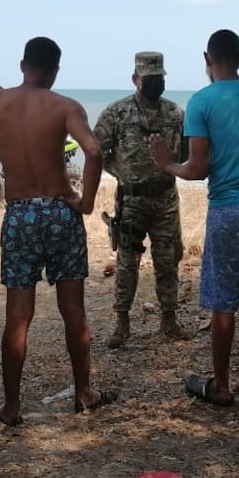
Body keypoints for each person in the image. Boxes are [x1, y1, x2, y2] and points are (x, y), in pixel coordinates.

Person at [0, 0, 116, 423]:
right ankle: (84, 392)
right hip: (61, 214)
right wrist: (84, 202)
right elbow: (95, 152)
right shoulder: (66, 106)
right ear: (56, 70)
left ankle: (11, 406)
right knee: (73, 311)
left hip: (21, 215)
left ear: (23, 66)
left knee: (19, 316)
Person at [149, 29, 239, 407]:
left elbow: (197, 169)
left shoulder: (201, 102)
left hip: (227, 210)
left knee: (223, 303)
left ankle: (222, 387)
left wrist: (166, 163)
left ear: (207, 59)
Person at [94, 52, 192, 348]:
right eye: (149, 78)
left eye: (159, 78)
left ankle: (169, 321)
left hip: (165, 200)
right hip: (131, 202)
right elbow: (97, 151)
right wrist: (122, 171)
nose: (155, 83)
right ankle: (122, 323)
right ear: (135, 79)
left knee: (168, 262)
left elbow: (187, 152)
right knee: (127, 263)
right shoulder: (116, 113)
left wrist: (170, 162)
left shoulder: (176, 113)